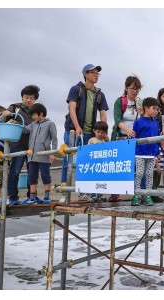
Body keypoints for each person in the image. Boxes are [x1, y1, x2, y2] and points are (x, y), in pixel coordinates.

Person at [60, 64, 109, 202]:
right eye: (93, 72)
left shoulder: (99, 93)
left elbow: (103, 113)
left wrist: (104, 132)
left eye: (97, 73)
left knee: (89, 163)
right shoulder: (76, 89)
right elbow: (72, 108)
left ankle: (87, 191)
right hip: (73, 131)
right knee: (68, 160)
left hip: (90, 134)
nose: (96, 75)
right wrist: (76, 127)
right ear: (85, 74)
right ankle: (65, 192)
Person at [0, 85, 40, 205]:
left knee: (32, 171)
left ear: (35, 100)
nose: (28, 100)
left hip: (33, 146)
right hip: (17, 144)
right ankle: (13, 197)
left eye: (31, 98)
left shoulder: (37, 110)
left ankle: (32, 196)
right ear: (22, 97)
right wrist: (5, 115)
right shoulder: (15, 108)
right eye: (26, 97)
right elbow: (1, 120)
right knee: (15, 171)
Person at [12, 103, 58, 204]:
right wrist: (16, 124)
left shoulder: (50, 124)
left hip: (44, 155)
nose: (32, 117)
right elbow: (24, 130)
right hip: (32, 156)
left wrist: (53, 153)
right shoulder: (33, 124)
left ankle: (47, 196)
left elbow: (54, 139)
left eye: (33, 115)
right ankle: (32, 197)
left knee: (46, 176)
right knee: (32, 176)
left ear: (41, 113)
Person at [109, 75, 143, 202]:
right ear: (126, 88)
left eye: (137, 89)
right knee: (117, 166)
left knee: (135, 167)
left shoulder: (140, 102)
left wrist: (143, 112)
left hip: (134, 138)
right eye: (132, 88)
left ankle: (137, 193)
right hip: (120, 137)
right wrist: (127, 130)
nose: (134, 91)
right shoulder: (120, 101)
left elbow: (143, 119)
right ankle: (114, 193)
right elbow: (117, 119)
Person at [131, 97, 160, 206]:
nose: (156, 111)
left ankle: (148, 195)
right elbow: (135, 137)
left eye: (157, 109)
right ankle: (137, 195)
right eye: (154, 108)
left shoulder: (156, 123)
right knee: (139, 174)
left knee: (149, 175)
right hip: (140, 153)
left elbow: (157, 138)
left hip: (152, 154)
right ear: (146, 108)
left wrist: (157, 152)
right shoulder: (138, 122)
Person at [87, 121, 109, 202]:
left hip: (102, 164)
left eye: (102, 132)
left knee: (101, 181)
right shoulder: (92, 140)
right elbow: (88, 151)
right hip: (93, 164)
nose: (100, 134)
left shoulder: (105, 141)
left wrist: (107, 141)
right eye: (98, 132)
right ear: (94, 131)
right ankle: (92, 195)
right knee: (93, 180)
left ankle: (100, 195)